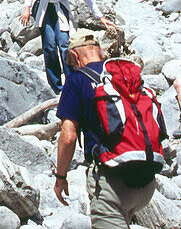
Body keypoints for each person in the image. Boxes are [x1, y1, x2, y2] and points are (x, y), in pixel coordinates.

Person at [54, 30, 162, 229]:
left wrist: (60, 177)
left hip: (112, 184)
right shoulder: (122, 75)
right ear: (101, 53)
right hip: (146, 180)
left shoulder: (76, 80)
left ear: (74, 57)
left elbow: (68, 137)